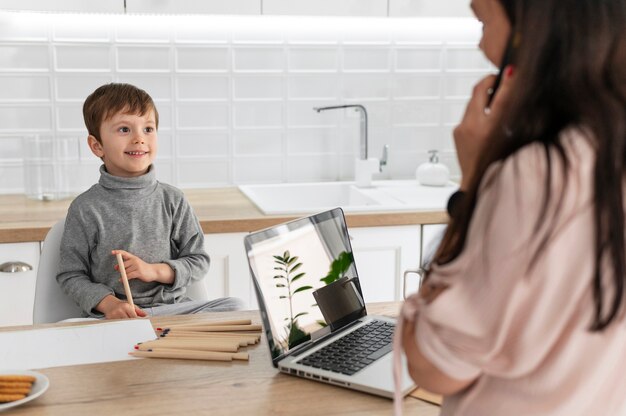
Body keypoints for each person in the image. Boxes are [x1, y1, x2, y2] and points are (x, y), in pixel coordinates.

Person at [394, 0, 626, 414]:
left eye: (484, 14)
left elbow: (435, 367)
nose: (471, 4)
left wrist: (473, 183)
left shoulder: (536, 176)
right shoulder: (601, 154)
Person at [57, 83, 243, 319]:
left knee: (235, 306)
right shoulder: (85, 208)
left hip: (172, 312)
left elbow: (199, 261)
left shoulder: (173, 200)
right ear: (97, 146)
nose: (139, 139)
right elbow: (70, 275)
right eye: (124, 129)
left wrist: (155, 271)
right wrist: (109, 304)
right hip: (114, 317)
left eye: (148, 129)